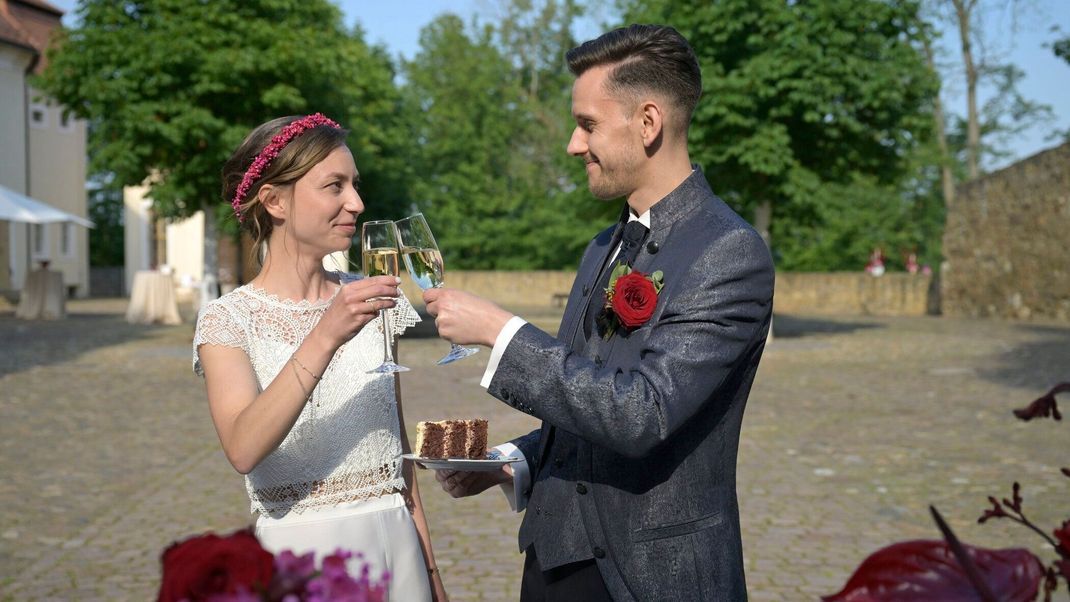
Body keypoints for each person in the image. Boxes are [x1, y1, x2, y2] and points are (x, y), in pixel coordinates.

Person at [424, 25, 774, 601]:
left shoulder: (729, 252)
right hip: (554, 567)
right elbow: (596, 394)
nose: (572, 144)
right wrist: (517, 462)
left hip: (653, 579)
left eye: (587, 124)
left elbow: (645, 412)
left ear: (648, 123)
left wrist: (501, 332)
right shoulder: (602, 247)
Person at [193, 114, 445, 601]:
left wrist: (431, 574)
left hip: (397, 549)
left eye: (355, 185)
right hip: (301, 561)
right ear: (274, 201)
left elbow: (397, 457)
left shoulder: (372, 300)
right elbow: (243, 449)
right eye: (335, 186)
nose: (357, 203)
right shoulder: (228, 319)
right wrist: (326, 333)